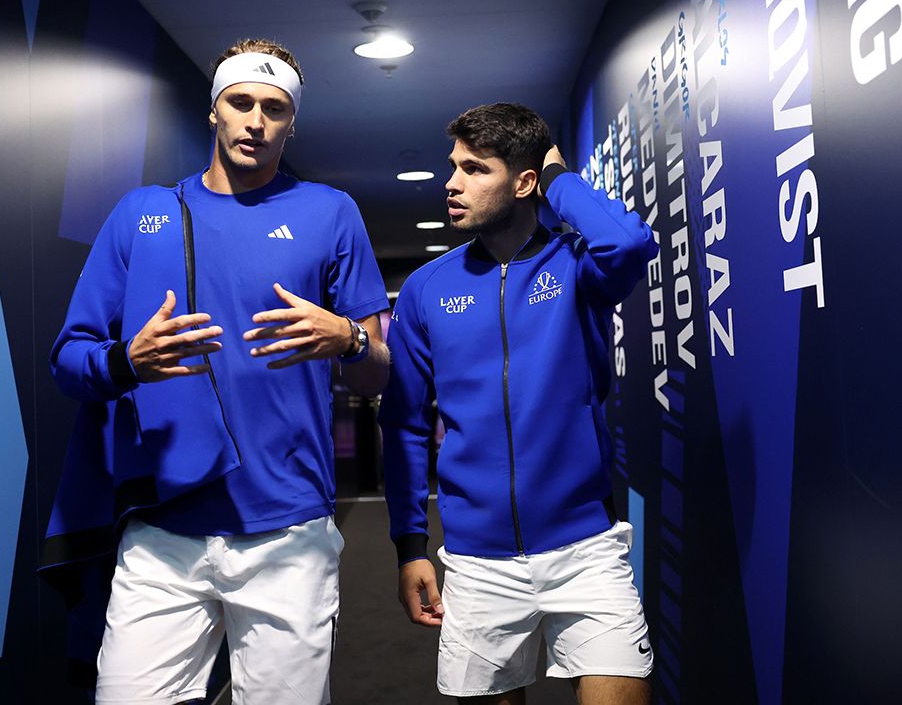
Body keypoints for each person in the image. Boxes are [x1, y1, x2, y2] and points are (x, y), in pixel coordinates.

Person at [40, 38, 390, 705]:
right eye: (241, 102)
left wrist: (346, 339)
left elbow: (379, 374)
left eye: (274, 108)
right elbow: (68, 359)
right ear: (214, 112)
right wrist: (127, 360)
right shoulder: (141, 216)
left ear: (292, 122)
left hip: (288, 530)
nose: (255, 120)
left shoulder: (329, 212)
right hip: (163, 527)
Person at [380, 103, 657, 704]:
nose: (452, 184)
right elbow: (402, 423)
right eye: (453, 167)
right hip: (478, 563)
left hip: (586, 549)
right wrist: (409, 545)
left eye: (475, 169)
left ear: (524, 182)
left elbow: (629, 242)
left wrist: (560, 178)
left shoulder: (577, 266)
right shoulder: (428, 287)